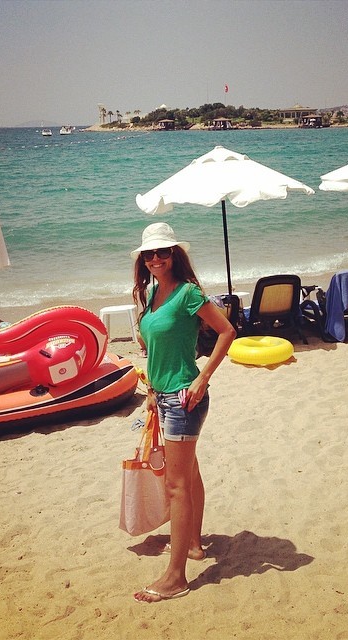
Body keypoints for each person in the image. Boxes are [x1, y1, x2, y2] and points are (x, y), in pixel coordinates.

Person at [130, 222, 236, 603]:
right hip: (163, 396)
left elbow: (227, 331)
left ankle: (176, 577)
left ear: (174, 255)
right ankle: (192, 544)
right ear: (143, 260)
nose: (156, 258)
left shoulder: (188, 293)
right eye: (150, 254)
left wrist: (202, 378)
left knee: (176, 486)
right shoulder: (152, 293)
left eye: (163, 251)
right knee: (188, 473)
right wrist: (151, 391)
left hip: (184, 398)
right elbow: (155, 348)